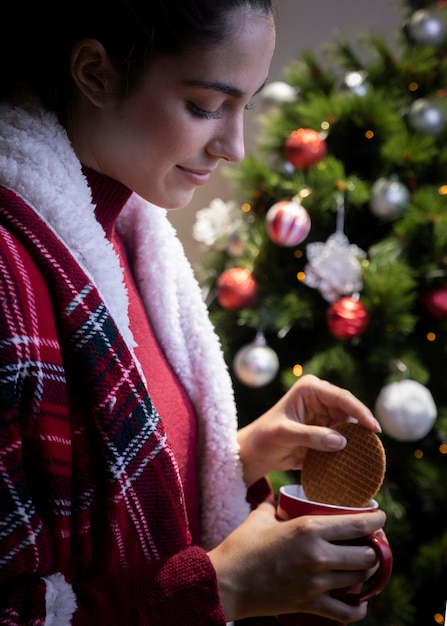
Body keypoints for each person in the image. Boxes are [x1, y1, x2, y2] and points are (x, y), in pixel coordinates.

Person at [0, 1, 387, 624]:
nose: (234, 147)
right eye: (208, 105)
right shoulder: (9, 276)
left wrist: (241, 458)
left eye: (246, 106)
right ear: (96, 73)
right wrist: (218, 588)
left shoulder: (127, 232)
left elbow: (126, 503)